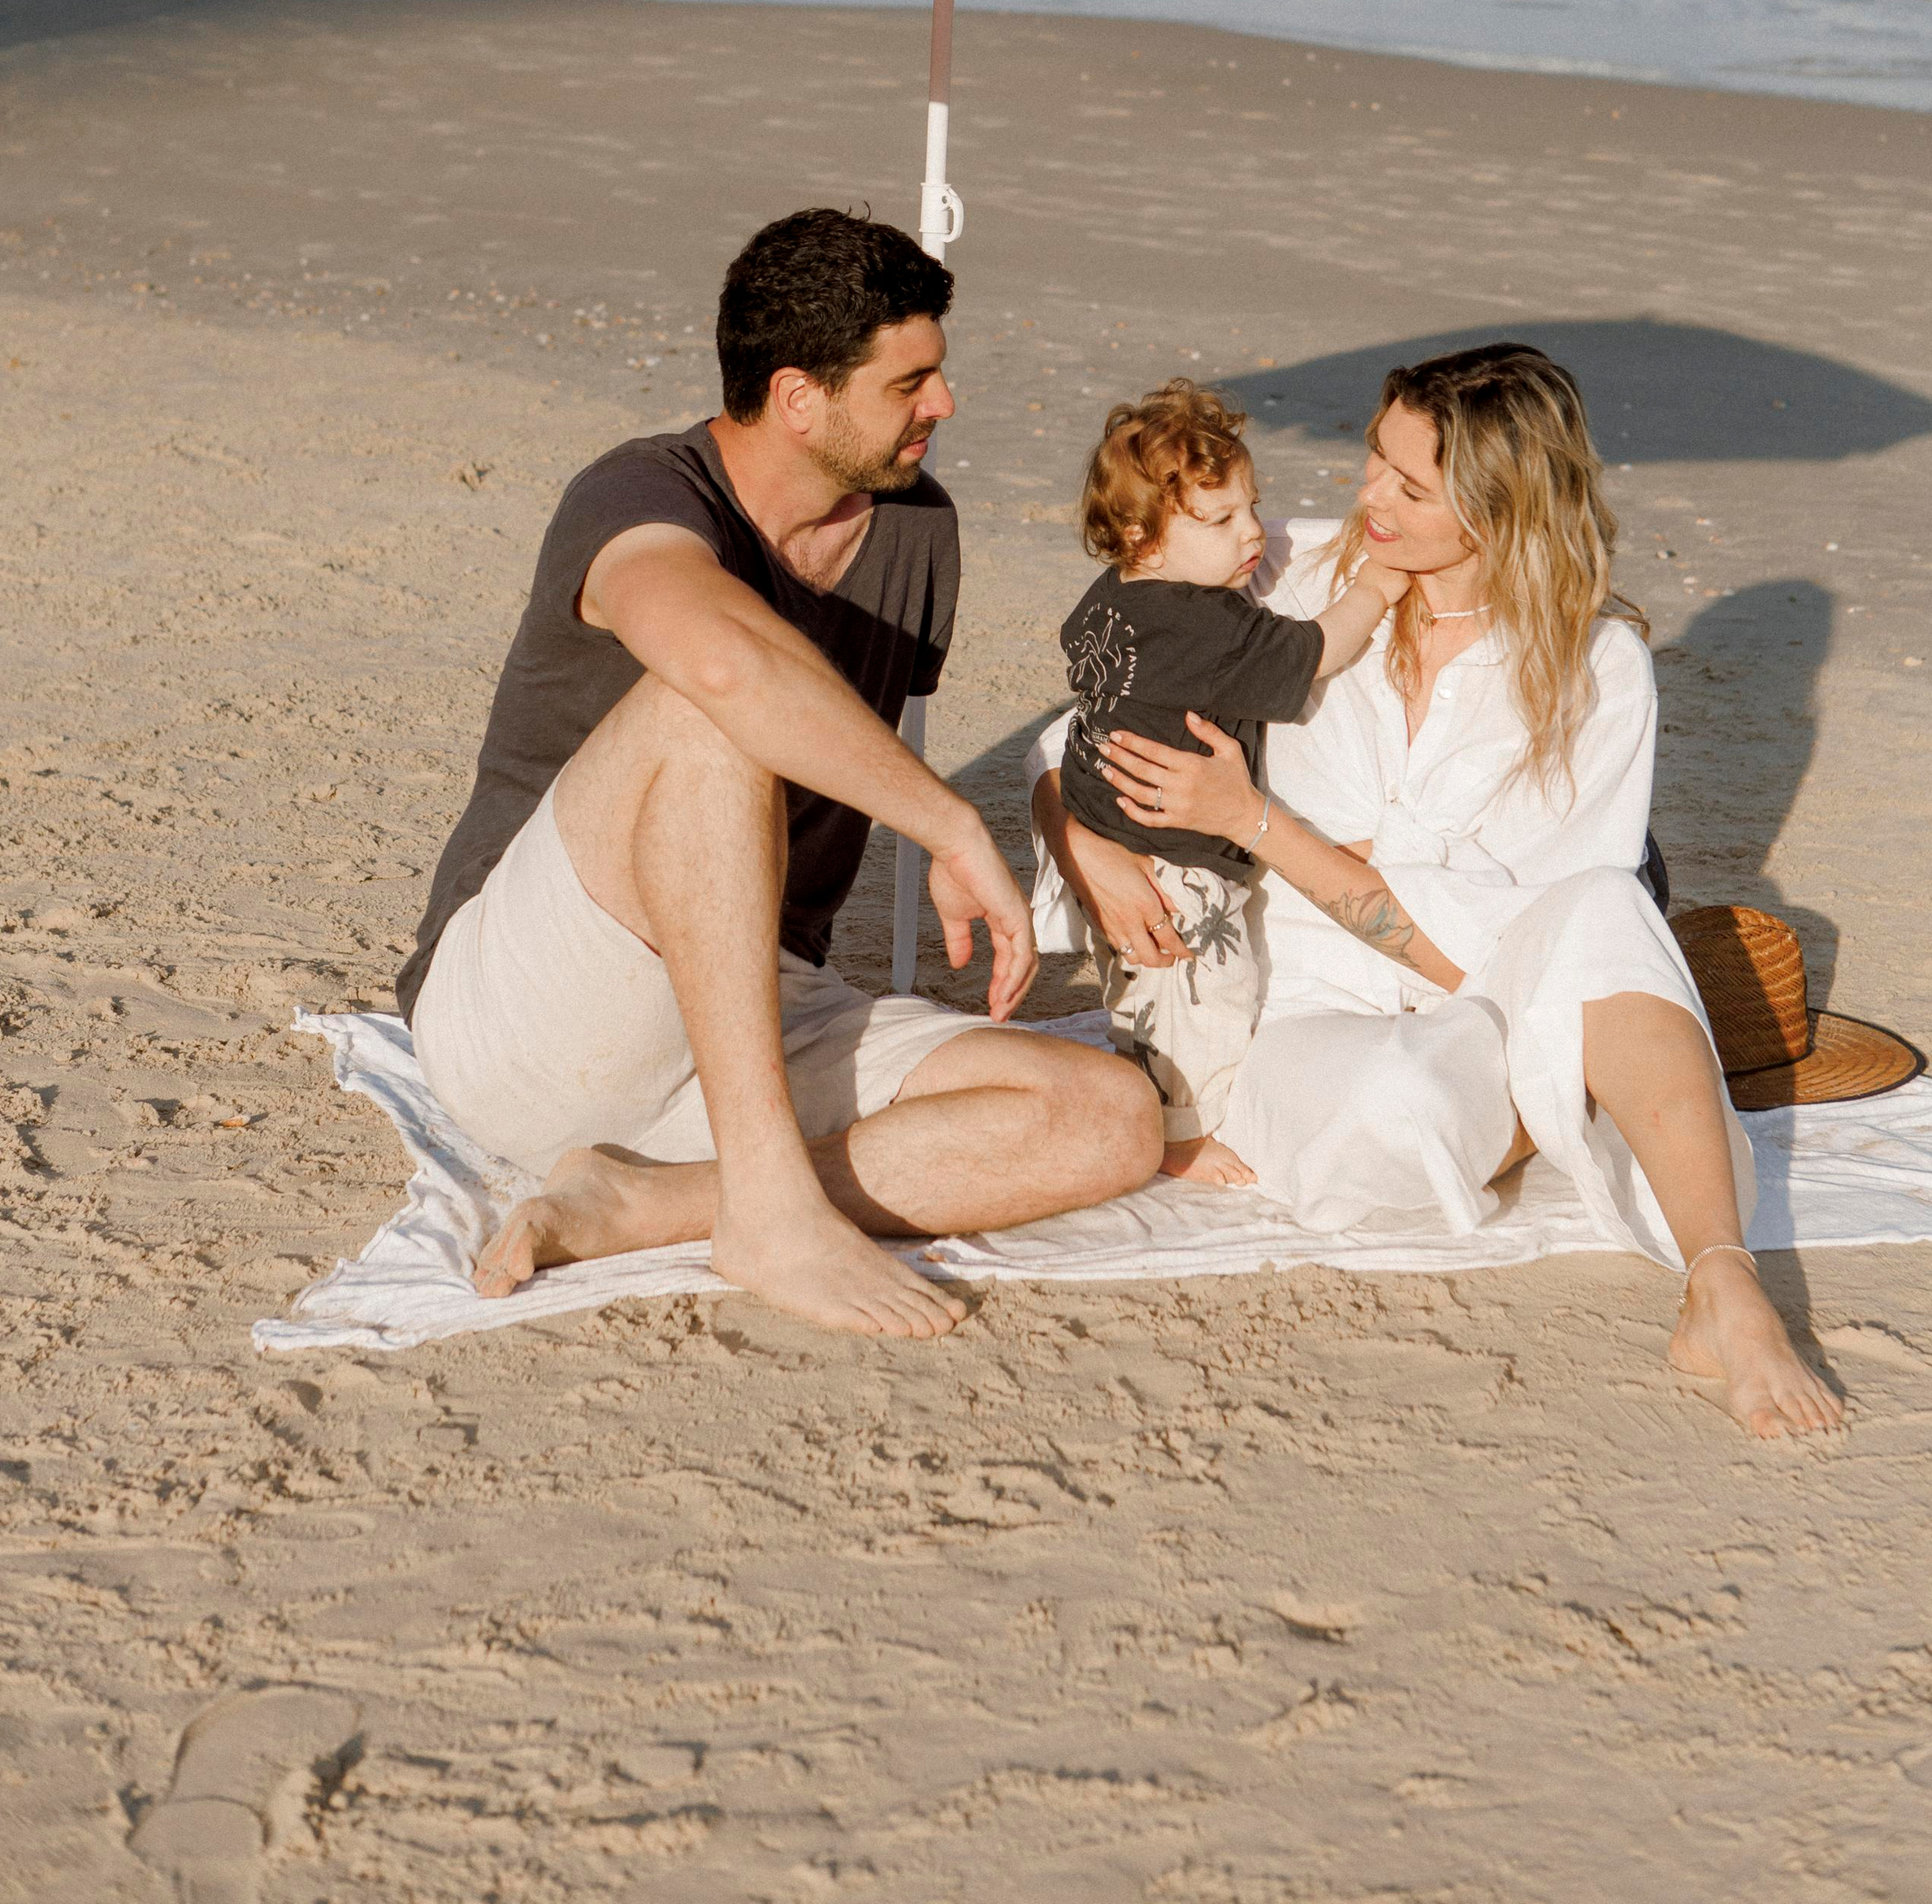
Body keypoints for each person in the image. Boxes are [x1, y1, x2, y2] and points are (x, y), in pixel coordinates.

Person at [1031, 343, 1844, 1442]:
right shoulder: (1294, 582)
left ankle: (1724, 1285)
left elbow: (1504, 948)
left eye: (1411, 489)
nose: (1367, 498)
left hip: (1493, 994)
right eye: (1375, 458)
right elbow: (1084, 728)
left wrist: (1258, 825)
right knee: (1398, 1109)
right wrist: (1081, 835)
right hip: (1306, 1005)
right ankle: (1589, 1084)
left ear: (1503, 513)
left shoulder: (1599, 671)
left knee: (1610, 909)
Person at [404, 206, 1160, 1341]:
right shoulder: (638, 497)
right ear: (799, 396)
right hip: (524, 1009)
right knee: (710, 713)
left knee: (1110, 1119)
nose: (944, 405)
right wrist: (953, 826)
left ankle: (658, 1200)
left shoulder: (916, 536)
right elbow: (723, 664)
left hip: (748, 1009)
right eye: (912, 382)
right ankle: (768, 1207)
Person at [1059, 379, 1403, 1185]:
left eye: (1252, 505)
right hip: (1172, 857)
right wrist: (1376, 590)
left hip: (1102, 830)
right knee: (1206, 992)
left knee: (1147, 992)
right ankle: (1179, 1137)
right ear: (1142, 536)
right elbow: (1312, 654)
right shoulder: (1207, 622)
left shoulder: (1112, 599)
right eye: (1219, 520)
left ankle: (1155, 1096)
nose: (1252, 533)